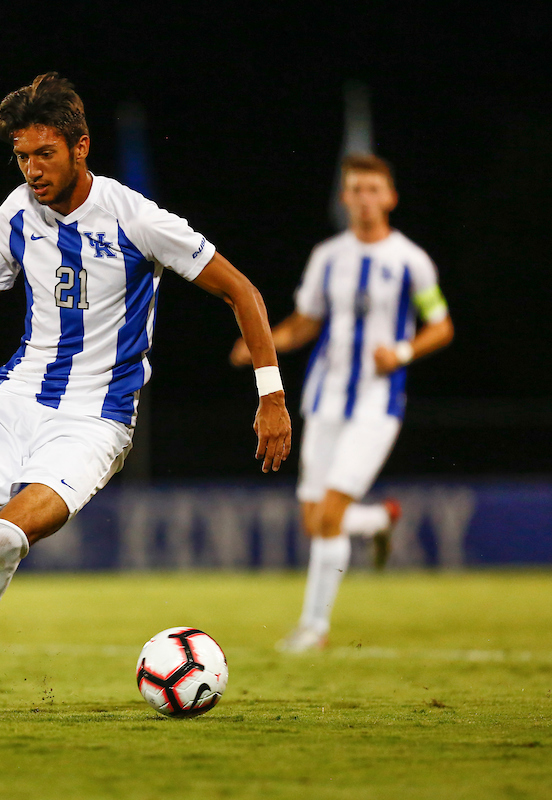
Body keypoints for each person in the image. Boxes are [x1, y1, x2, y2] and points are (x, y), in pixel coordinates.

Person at [0, 73, 292, 717]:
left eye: (45, 155)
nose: (32, 170)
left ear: (80, 147)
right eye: (22, 156)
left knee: (5, 539)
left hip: (95, 420)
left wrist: (271, 396)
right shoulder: (15, 213)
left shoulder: (135, 217)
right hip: (17, 401)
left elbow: (243, 292)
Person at [231, 153, 454, 652]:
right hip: (325, 400)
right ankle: (377, 520)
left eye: (374, 189)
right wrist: (263, 342)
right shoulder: (328, 257)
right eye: (356, 189)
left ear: (390, 197)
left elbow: (441, 325)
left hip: (377, 405)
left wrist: (400, 352)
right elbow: (306, 322)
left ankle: (314, 628)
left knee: (328, 517)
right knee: (315, 521)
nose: (365, 198)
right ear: (345, 198)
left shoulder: (411, 261)